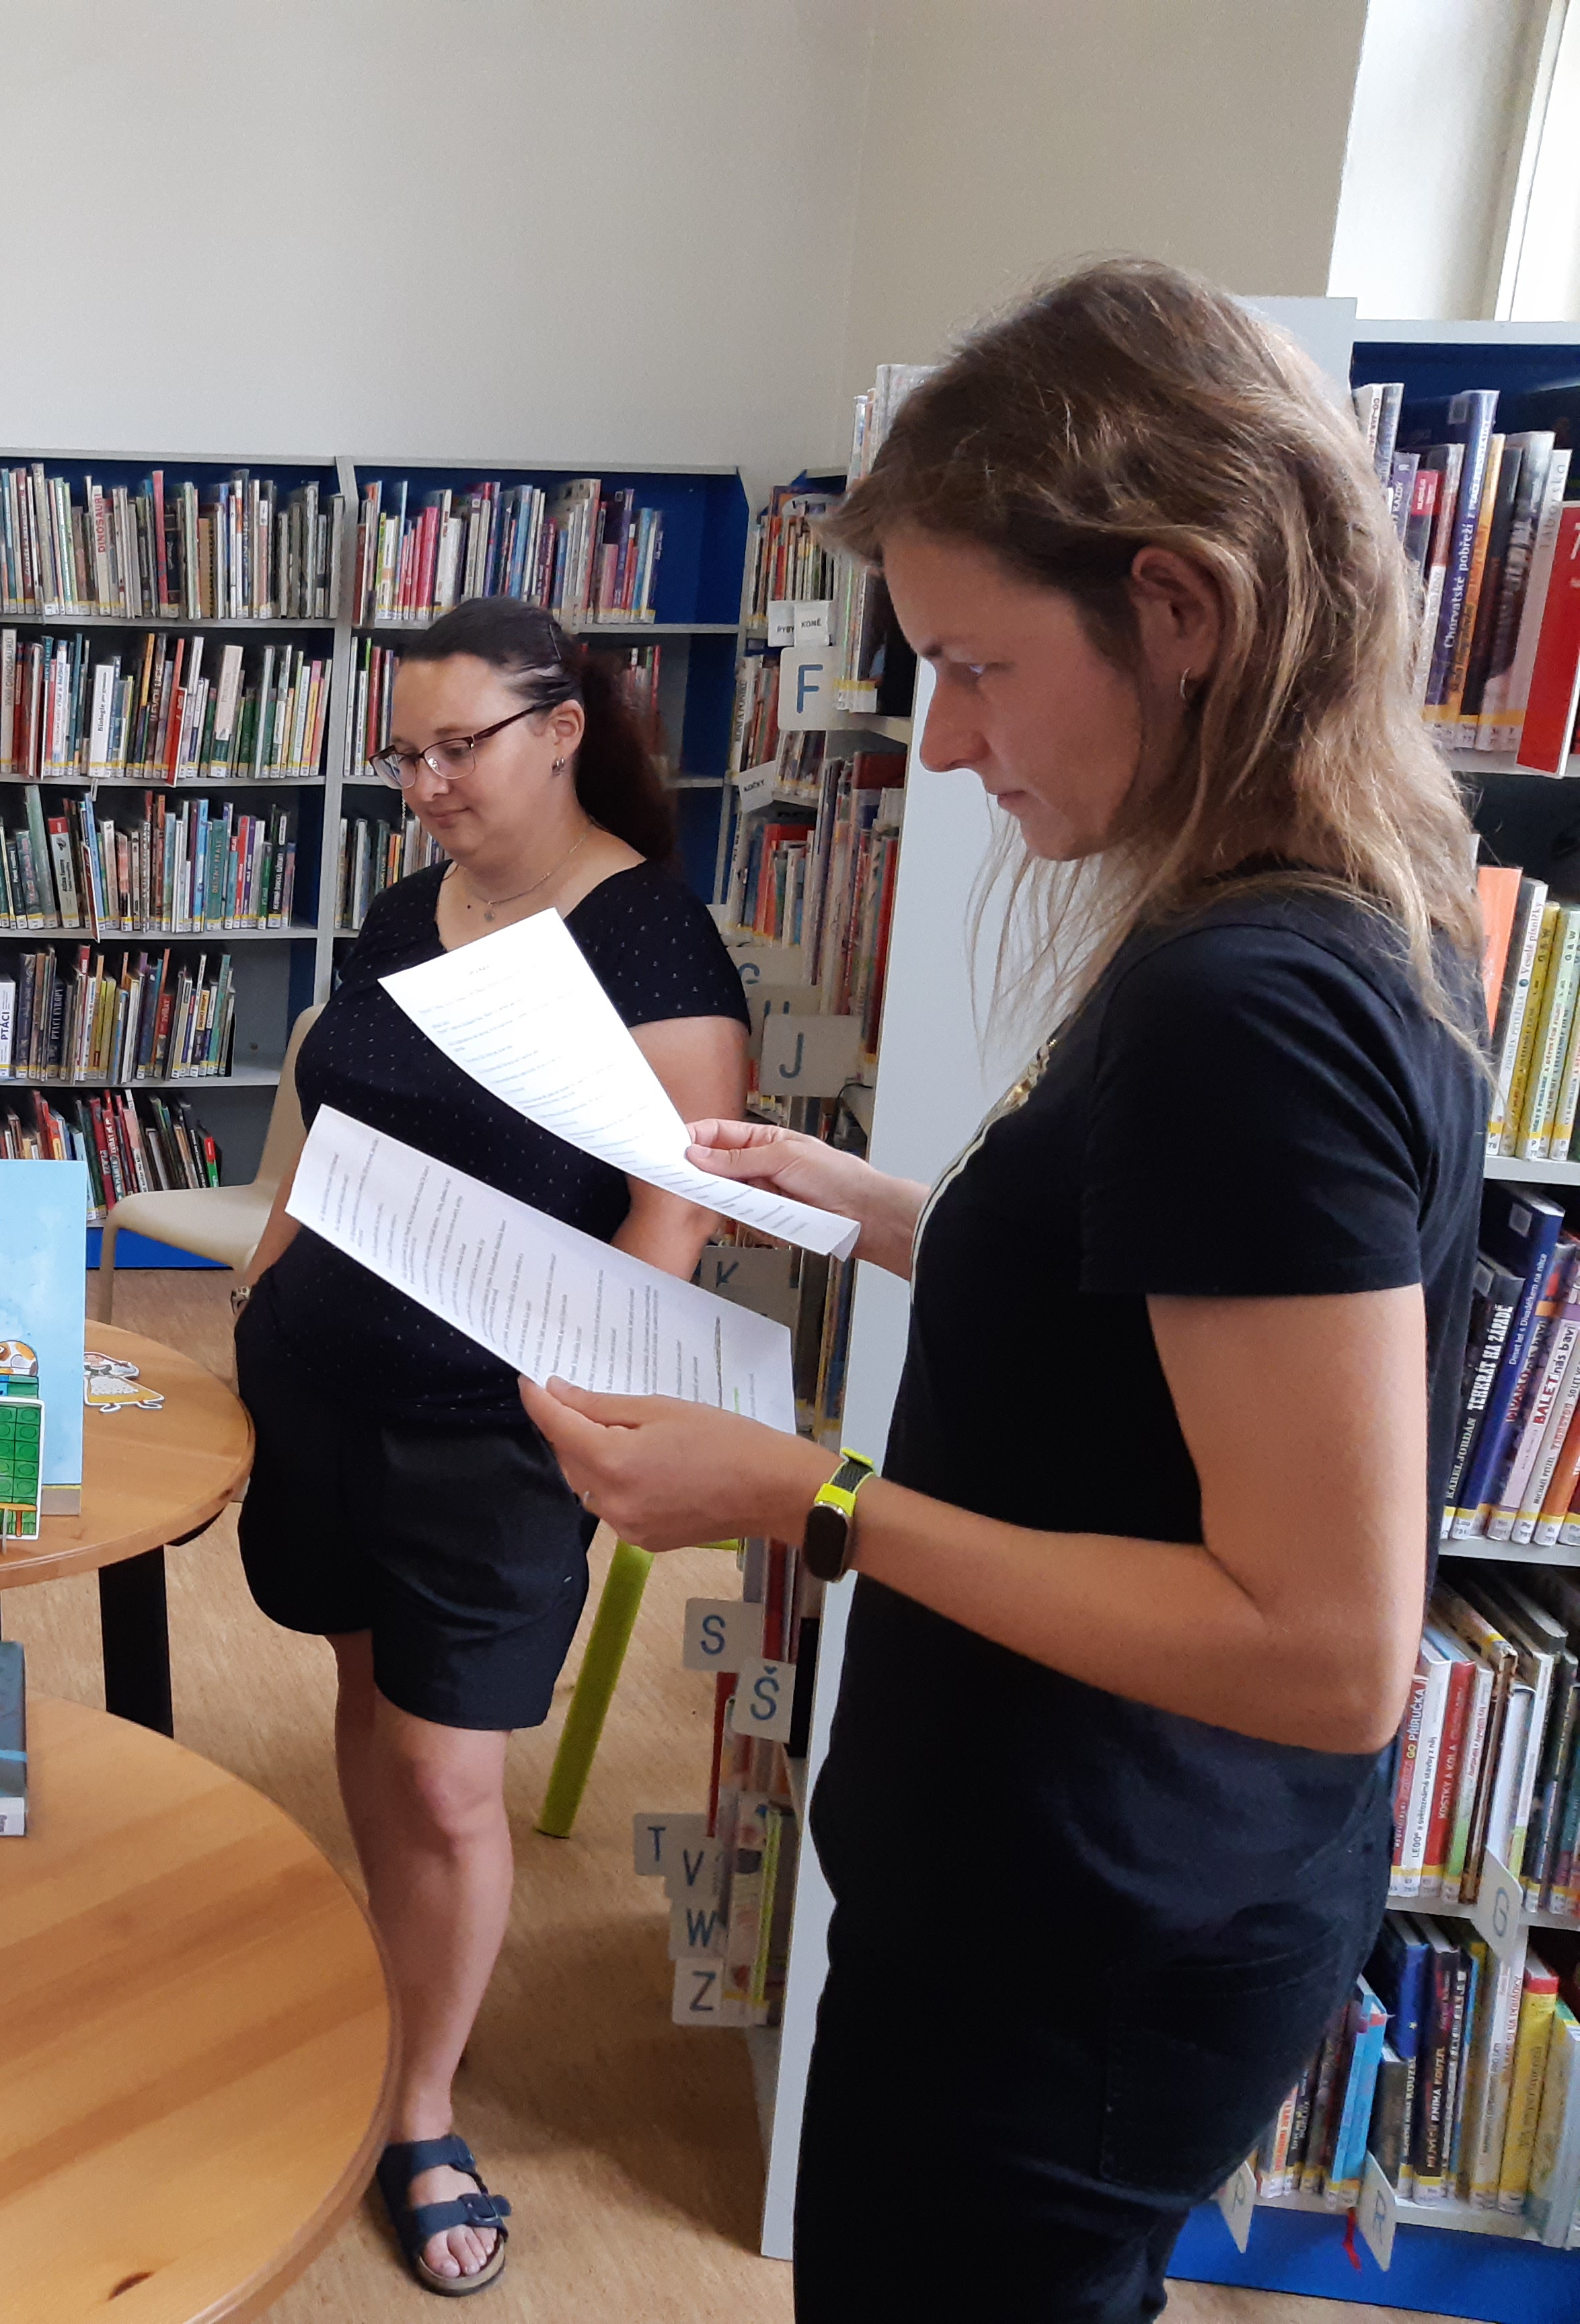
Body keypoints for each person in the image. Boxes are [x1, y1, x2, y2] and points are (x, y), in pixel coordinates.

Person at [519, 260, 1484, 2321]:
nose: (945, 745)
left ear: (1179, 608)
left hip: (1081, 1950)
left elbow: (1327, 1648)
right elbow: (1163, 1338)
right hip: (1096, 1901)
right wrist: (883, 1210)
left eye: (976, 666)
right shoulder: (1311, 911)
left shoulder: (1250, 1002)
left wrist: (803, 1497)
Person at [229, 597, 750, 2295]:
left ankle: (420, 2106)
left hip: (494, 1431)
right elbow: (334, 1129)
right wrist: (262, 1281)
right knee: (369, 1702)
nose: (426, 785)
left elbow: (670, 1223)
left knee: (454, 1778)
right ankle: (390, 1988)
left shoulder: (653, 941)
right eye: (405, 756)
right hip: (324, 1387)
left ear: (562, 729)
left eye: (458, 748)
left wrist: (595, 1422)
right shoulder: (408, 910)